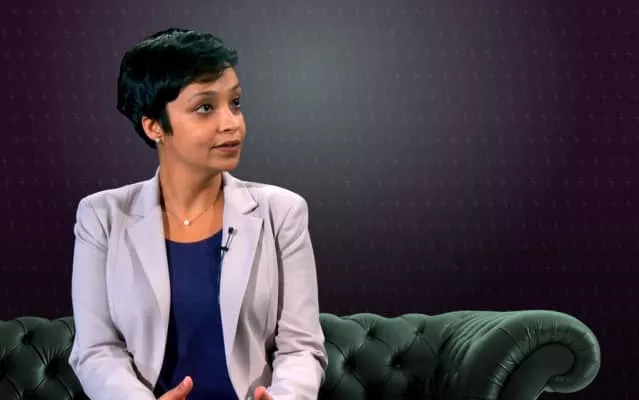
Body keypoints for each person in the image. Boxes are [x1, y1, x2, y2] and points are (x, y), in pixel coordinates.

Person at [68, 27, 327, 400]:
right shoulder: (102, 217)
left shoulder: (282, 212)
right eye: (205, 107)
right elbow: (96, 350)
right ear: (154, 126)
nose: (231, 123)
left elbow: (301, 346)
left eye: (235, 102)